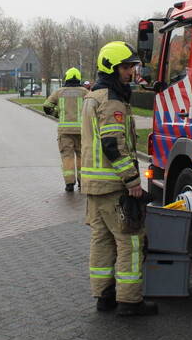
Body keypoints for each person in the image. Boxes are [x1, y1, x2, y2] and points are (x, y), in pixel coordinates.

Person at [81, 41, 157, 316]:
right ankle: (130, 301)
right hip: (114, 185)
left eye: (132, 67)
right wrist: (132, 181)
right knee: (131, 240)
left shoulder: (93, 96)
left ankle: (103, 297)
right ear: (112, 68)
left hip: (94, 185)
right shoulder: (112, 99)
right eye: (126, 67)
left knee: (101, 241)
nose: (131, 73)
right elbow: (113, 144)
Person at [43, 67, 87, 192]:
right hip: (82, 131)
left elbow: (47, 106)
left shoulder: (59, 92)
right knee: (81, 156)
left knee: (67, 156)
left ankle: (69, 183)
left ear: (66, 78)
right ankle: (82, 182)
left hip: (65, 132)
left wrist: (57, 114)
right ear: (79, 78)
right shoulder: (85, 92)